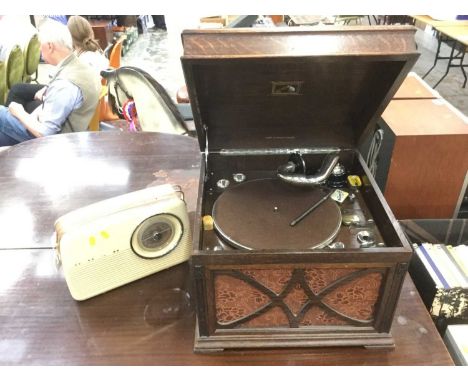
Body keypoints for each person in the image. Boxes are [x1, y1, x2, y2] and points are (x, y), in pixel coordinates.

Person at [0, 19, 101, 146]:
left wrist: (19, 113)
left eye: (40, 46)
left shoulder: (65, 84)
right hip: (70, 134)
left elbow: (44, 133)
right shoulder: (79, 66)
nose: (40, 52)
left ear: (50, 46)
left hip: (53, 145)